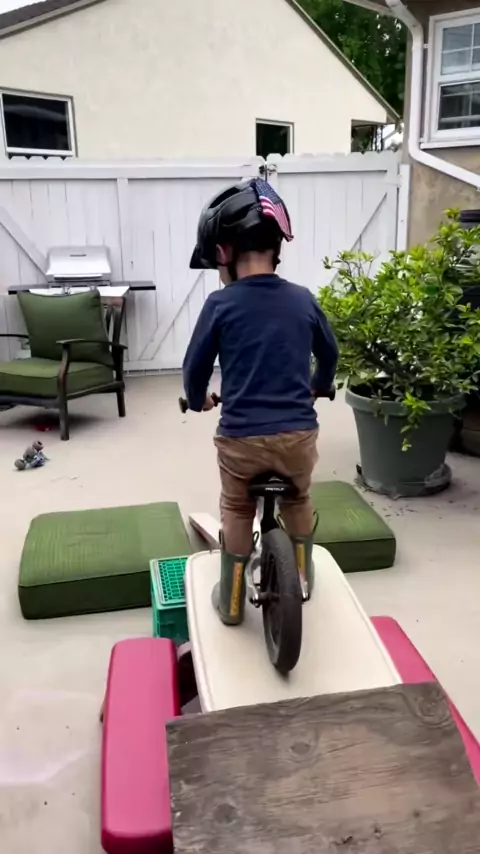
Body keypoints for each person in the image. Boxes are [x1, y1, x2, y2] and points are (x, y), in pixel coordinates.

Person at [183, 179, 338, 626]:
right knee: (299, 497)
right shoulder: (303, 299)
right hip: (297, 437)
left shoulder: (220, 304)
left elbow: (194, 367)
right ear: (277, 249)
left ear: (223, 253)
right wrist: (318, 384)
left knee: (236, 507)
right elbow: (329, 353)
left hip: (242, 441)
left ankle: (232, 602)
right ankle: (303, 576)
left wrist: (197, 399)